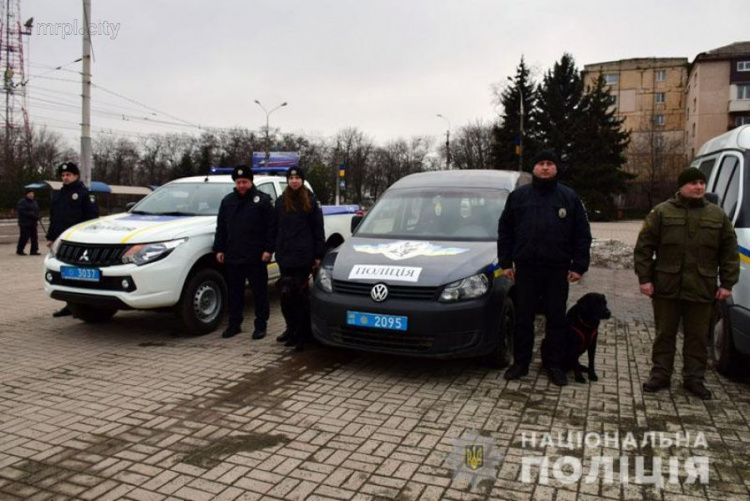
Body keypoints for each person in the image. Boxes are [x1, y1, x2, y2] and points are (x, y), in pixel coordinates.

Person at [634, 168, 739, 400]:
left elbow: (729, 252)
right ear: (681, 186)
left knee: (698, 337)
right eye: (693, 183)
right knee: (665, 334)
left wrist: (727, 283)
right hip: (666, 287)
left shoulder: (717, 216)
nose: (699, 187)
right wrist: (645, 279)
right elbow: (644, 247)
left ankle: (694, 379)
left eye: (702, 182)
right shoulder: (661, 212)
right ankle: (660, 375)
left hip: (701, 288)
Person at [497, 151, 592, 386]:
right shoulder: (518, 197)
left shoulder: (568, 197)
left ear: (556, 169)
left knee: (556, 319)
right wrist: (506, 263)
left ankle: (554, 364)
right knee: (524, 319)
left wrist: (579, 265)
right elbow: (505, 231)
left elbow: (582, 234)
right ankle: (521, 363)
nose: (546, 168)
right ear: (534, 168)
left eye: (550, 164)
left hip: (557, 270)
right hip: (526, 269)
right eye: (541, 163)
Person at [213, 165, 276, 340]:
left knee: (259, 293)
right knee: (235, 293)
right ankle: (234, 324)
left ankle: (261, 325)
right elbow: (221, 228)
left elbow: (272, 228)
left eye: (244, 182)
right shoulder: (228, 201)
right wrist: (219, 248)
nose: (241, 185)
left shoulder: (262, 201)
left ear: (251, 182)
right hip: (233, 255)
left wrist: (269, 249)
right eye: (238, 182)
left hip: (256, 256)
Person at [274, 166, 325, 351]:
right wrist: (273, 249)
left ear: (302, 180)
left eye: (297, 177)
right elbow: (275, 228)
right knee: (285, 299)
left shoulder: (311, 201)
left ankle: (303, 333)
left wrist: (318, 255)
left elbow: (318, 230)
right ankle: (290, 329)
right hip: (285, 257)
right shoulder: (280, 202)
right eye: (291, 178)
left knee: (300, 300)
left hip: (303, 258)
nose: (294, 180)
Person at [46, 162, 99, 317]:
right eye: (63, 175)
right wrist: (50, 237)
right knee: (64, 273)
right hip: (61, 242)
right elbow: (54, 217)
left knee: (79, 273)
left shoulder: (84, 194)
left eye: (68, 175)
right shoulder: (59, 194)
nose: (65, 178)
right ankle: (70, 304)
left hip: (79, 242)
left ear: (76, 176)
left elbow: (91, 219)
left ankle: (81, 305)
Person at [16, 189, 41, 256]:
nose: (31, 195)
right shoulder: (22, 202)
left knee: (34, 237)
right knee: (24, 237)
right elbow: (22, 211)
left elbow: (37, 210)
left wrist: (38, 216)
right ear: (26, 194)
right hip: (25, 223)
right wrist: (32, 215)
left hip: (33, 223)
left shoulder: (34, 202)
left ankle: (34, 250)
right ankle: (20, 250)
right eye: (29, 193)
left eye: (32, 193)